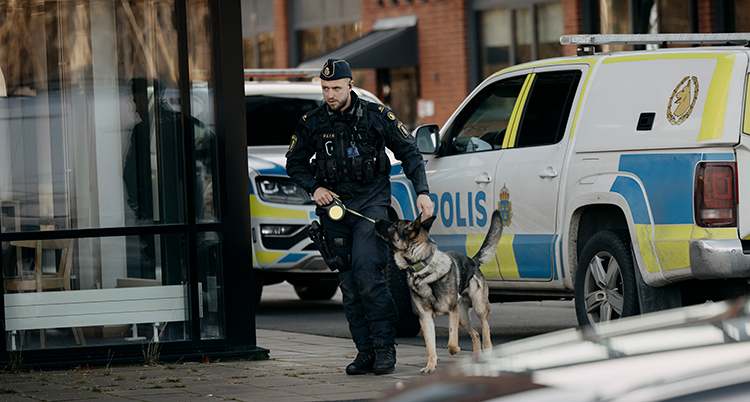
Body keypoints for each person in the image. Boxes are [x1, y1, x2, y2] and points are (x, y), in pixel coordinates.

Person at [285, 59, 434, 375]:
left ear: (350, 85)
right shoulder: (312, 122)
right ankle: (364, 352)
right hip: (335, 211)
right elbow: (294, 164)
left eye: (336, 88)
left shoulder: (376, 116)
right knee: (350, 285)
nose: (330, 95)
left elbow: (409, 152)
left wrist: (422, 190)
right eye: (325, 89)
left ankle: (384, 349)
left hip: (371, 206)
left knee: (368, 275)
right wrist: (315, 188)